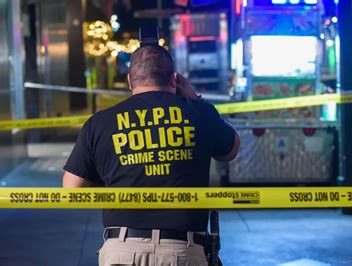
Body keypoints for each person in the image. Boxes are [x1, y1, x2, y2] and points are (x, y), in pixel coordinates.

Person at [62, 45, 240, 266]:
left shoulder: (101, 122)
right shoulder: (198, 112)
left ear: (130, 81)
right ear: (174, 80)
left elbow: (72, 189)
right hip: (183, 250)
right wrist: (195, 98)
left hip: (122, 250)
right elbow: (230, 149)